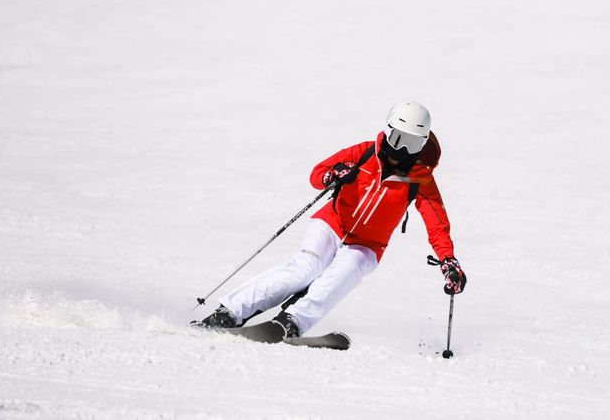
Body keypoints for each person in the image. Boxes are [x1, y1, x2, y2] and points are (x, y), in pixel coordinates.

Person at [197, 101, 466, 338]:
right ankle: (230, 311)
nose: (403, 151)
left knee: (340, 276)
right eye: (398, 139)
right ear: (387, 131)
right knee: (303, 270)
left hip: (368, 245)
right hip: (332, 224)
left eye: (413, 143)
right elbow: (318, 173)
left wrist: (448, 260)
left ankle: (292, 321)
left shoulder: (420, 178)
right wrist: (334, 174)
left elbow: (437, 225)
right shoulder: (363, 153)